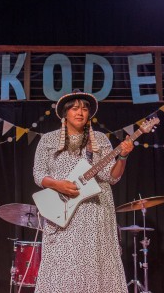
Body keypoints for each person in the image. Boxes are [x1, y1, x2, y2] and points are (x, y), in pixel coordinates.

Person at [33, 90, 134, 292]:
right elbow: (38, 174)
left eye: (85, 109)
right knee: (63, 267)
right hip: (63, 212)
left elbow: (111, 177)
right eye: (75, 108)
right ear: (65, 113)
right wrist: (57, 184)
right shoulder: (48, 140)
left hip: (96, 212)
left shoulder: (99, 140)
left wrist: (122, 157)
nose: (80, 112)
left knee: (96, 264)